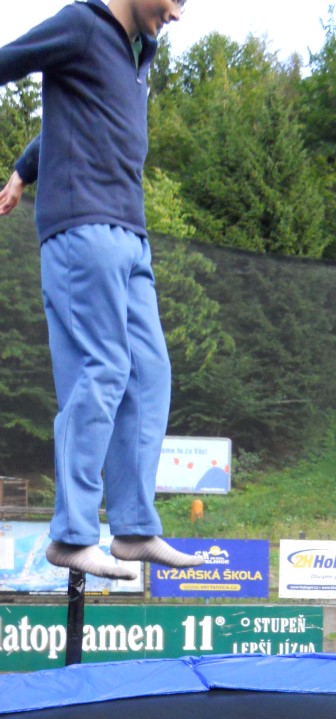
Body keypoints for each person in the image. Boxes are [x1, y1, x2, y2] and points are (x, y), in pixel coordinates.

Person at [0, 0, 203, 580]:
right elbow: (9, 60)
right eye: (177, 0)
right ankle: (71, 534)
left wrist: (23, 168)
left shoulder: (136, 57)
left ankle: (134, 527)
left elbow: (78, 121)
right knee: (104, 368)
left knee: (150, 372)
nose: (178, 14)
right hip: (81, 229)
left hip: (132, 237)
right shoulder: (82, 26)